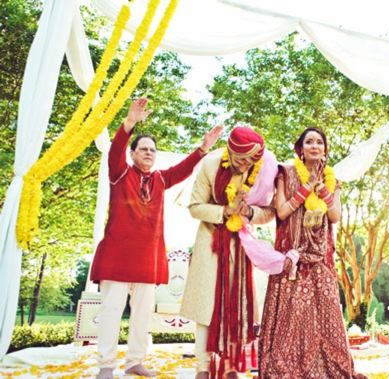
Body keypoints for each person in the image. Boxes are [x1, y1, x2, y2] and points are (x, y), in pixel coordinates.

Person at [89, 98, 224, 379]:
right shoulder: (120, 173)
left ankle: (135, 362)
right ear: (134, 153)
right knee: (112, 311)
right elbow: (115, 150)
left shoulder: (161, 179)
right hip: (117, 255)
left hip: (148, 257)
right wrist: (129, 123)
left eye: (153, 150)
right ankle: (105, 366)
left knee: (141, 316)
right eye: (144, 149)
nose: (149, 153)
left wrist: (203, 149)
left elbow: (184, 169)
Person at [258, 127, 369, 379]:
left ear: (325, 149)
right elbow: (283, 211)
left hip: (320, 256)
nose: (315, 146)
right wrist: (307, 187)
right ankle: (288, 366)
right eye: (309, 142)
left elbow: (335, 216)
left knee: (325, 312)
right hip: (292, 256)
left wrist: (324, 192)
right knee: (291, 315)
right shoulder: (285, 173)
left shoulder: (332, 178)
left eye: (319, 142)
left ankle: (325, 367)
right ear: (301, 148)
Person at [180, 126, 277, 379]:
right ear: (230, 151)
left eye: (252, 160)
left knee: (237, 307)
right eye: (242, 159)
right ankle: (203, 367)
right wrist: (226, 211)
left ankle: (230, 366)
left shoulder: (260, 172)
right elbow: (195, 206)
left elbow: (269, 212)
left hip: (242, 247)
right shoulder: (211, 165)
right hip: (210, 243)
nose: (246, 165)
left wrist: (248, 213)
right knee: (207, 307)